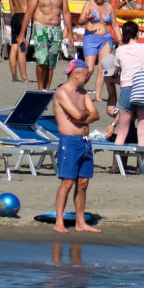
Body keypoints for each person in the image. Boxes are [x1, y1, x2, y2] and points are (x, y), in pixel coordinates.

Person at [52, 58, 100, 233]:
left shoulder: (83, 93)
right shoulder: (62, 92)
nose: (88, 78)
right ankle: (59, 222)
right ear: (77, 74)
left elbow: (95, 115)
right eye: (87, 75)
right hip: (69, 142)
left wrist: (82, 115)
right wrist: (83, 115)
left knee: (83, 182)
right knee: (68, 182)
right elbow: (76, 114)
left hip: (85, 142)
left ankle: (80, 222)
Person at [111, 21, 144, 170]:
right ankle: (140, 168)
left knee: (122, 130)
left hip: (127, 89)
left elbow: (115, 71)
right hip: (143, 88)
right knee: (142, 130)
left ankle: (116, 167)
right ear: (137, 33)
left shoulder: (120, 50)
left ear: (123, 34)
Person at [19, 0, 73, 91]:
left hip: (56, 29)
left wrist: (70, 32)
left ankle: (46, 90)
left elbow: (66, 13)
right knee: (42, 60)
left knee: (51, 63)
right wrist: (22, 34)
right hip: (40, 27)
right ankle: (40, 88)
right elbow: (28, 14)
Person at [76, 0, 118, 90]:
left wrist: (121, 40)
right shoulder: (89, 4)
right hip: (91, 37)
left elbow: (115, 25)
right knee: (89, 68)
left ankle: (98, 96)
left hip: (106, 38)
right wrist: (86, 19)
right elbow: (80, 22)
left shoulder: (109, 7)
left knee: (101, 68)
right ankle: (78, 88)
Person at [8, 0, 33, 83]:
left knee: (13, 46)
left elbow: (11, 7)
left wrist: (14, 19)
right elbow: (30, 6)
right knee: (22, 46)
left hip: (15, 16)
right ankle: (24, 77)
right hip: (24, 17)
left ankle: (14, 76)